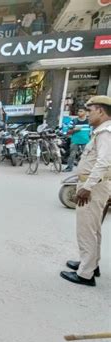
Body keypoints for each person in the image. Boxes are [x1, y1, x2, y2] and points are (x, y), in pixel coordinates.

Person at [60, 96, 111, 287]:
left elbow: (104, 162)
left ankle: (85, 274)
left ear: (100, 111)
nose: (87, 115)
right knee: (93, 228)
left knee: (87, 230)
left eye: (90, 111)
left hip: (93, 187)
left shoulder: (106, 132)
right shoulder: (101, 131)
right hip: (95, 185)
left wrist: (87, 187)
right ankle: (90, 264)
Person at [64, 107, 91, 172]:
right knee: (72, 154)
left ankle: (86, 169)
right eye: (78, 111)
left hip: (86, 140)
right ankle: (69, 167)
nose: (79, 113)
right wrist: (74, 130)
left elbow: (92, 131)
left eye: (81, 111)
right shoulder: (74, 121)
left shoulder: (89, 121)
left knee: (87, 155)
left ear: (85, 112)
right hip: (75, 140)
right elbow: (68, 131)